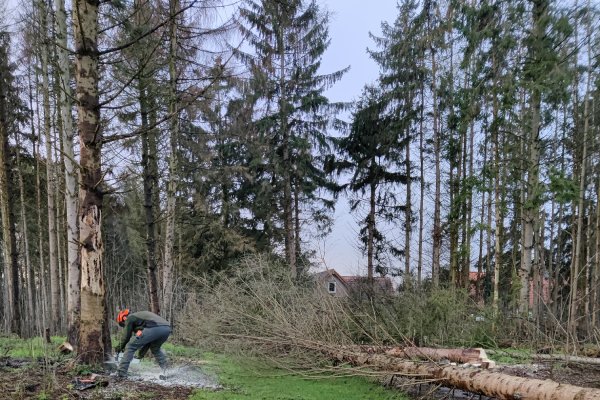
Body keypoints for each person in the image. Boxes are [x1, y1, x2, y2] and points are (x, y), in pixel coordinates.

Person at [114, 309, 171, 378]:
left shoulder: (130, 318)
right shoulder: (140, 320)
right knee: (155, 349)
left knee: (130, 346)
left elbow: (126, 337)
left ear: (124, 318)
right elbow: (147, 342)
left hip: (154, 327)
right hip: (166, 329)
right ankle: (167, 371)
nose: (124, 326)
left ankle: (121, 372)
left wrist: (118, 349)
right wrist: (140, 355)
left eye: (123, 324)